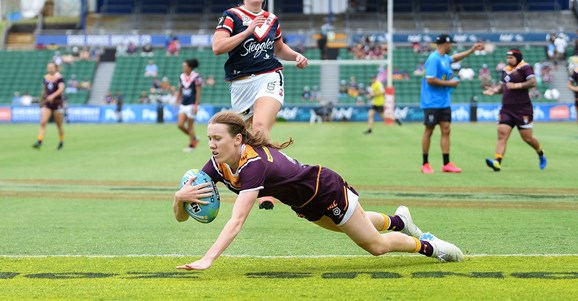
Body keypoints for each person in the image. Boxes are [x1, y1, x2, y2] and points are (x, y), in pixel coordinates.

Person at [173, 111, 464, 271]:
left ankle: (431, 246)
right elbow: (183, 217)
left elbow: (236, 221)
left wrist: (208, 259)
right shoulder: (216, 163)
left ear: (237, 139)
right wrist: (178, 199)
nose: (211, 143)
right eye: (209, 137)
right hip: (305, 203)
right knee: (351, 227)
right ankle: (400, 221)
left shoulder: (253, 165)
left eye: (216, 138)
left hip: (325, 189)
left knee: (375, 246)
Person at [213, 0, 308, 209]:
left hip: (269, 76)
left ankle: (266, 190)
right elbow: (217, 47)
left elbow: (280, 49)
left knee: (260, 128)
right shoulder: (232, 16)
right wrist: (248, 31)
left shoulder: (272, 19)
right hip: (240, 84)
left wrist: (296, 56)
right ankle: (243, 178)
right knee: (244, 139)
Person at [420, 34, 483, 174]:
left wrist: (472, 50)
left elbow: (455, 58)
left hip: (444, 102)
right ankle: (425, 164)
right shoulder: (434, 59)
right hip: (431, 102)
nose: (452, 46)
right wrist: (450, 83)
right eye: (451, 44)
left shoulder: (444, 58)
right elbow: (430, 80)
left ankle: (446, 163)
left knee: (446, 130)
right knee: (429, 131)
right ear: (445, 44)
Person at [483, 49, 547, 172]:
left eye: (511, 58)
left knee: (527, 138)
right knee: (502, 134)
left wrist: (517, 85)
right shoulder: (505, 70)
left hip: (523, 109)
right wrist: (494, 91)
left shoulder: (525, 67)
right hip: (507, 108)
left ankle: (540, 153)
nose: (508, 60)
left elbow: (532, 82)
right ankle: (497, 161)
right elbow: (503, 88)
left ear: (517, 57)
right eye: (507, 58)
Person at [33, 62, 65, 150]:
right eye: (48, 67)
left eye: (51, 67)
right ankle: (39, 141)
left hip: (57, 103)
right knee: (43, 122)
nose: (49, 68)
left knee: (59, 125)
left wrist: (53, 96)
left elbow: (61, 89)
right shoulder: (45, 78)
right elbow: (44, 90)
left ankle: (61, 141)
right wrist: (41, 99)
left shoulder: (59, 78)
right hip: (47, 103)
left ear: (55, 68)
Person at [174, 58, 203, 152]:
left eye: (185, 66)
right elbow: (180, 90)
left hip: (191, 104)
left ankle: (192, 146)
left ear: (189, 67)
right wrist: (177, 101)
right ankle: (194, 138)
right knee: (180, 125)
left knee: (190, 126)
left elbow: (198, 91)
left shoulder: (196, 77)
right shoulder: (181, 76)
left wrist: (196, 105)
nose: (183, 67)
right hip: (183, 104)